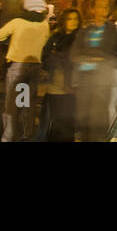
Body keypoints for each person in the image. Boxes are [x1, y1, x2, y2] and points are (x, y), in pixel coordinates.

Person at [0, 5, 54, 141]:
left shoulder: (17, 22)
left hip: (17, 66)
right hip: (33, 68)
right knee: (26, 103)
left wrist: (11, 40)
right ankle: (25, 134)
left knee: (11, 104)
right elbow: (45, 42)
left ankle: (8, 136)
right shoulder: (44, 24)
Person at [70, 0, 117, 142]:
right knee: (83, 117)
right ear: (93, 9)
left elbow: (108, 50)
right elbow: (74, 53)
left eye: (105, 7)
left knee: (99, 119)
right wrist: (91, 57)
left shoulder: (112, 30)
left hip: (102, 80)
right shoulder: (85, 30)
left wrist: (88, 55)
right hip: (85, 79)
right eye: (99, 6)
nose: (102, 10)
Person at [38, 8, 82, 142]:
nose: (73, 22)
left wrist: (59, 56)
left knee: (67, 123)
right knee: (54, 120)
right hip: (54, 84)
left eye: (75, 19)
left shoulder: (80, 37)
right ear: (64, 21)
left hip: (72, 85)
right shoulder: (56, 37)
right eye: (70, 19)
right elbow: (45, 57)